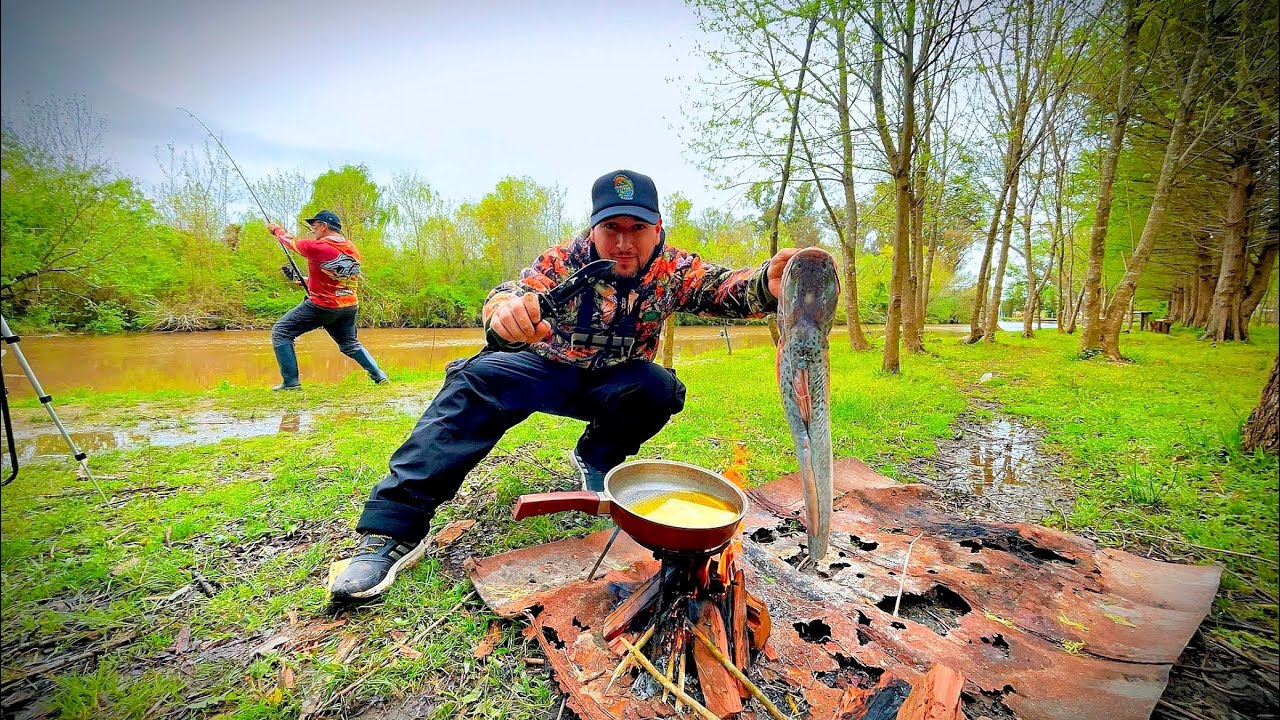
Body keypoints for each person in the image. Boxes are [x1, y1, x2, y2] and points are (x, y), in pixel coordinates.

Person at [329, 170, 801, 600]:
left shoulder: (673, 268)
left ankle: (596, 458)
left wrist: (770, 283)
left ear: (658, 229)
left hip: (616, 382)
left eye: (637, 229)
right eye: (610, 229)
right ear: (592, 229)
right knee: (475, 379)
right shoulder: (564, 260)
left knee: (660, 388)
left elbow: (725, 287)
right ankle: (393, 528)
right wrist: (507, 314)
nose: (623, 243)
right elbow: (513, 293)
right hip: (545, 370)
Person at [266, 210, 388, 391]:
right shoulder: (351, 249)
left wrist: (275, 229)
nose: (312, 230)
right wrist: (308, 282)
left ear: (324, 226)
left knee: (281, 332)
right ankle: (379, 375)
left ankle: (290, 383)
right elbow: (340, 276)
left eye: (314, 226)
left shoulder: (318, 247)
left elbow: (290, 242)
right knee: (349, 344)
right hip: (349, 306)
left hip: (323, 306)